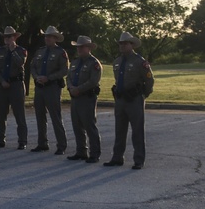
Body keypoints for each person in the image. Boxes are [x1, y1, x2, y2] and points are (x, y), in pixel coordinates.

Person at [104, 31, 154, 169]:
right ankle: (117, 157)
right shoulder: (117, 61)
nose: (122, 46)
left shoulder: (140, 62)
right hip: (120, 100)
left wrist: (143, 95)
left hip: (134, 99)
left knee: (137, 131)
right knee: (119, 130)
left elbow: (149, 81)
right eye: (120, 43)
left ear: (132, 45)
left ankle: (138, 160)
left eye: (125, 43)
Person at [30, 26, 69, 155]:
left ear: (55, 38)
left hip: (52, 87)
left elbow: (64, 70)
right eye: (46, 36)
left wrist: (49, 78)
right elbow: (33, 67)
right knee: (40, 116)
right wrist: (37, 77)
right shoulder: (40, 51)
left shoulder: (60, 52)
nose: (47, 38)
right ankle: (42, 143)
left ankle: (61, 145)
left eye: (50, 36)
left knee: (55, 117)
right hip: (40, 87)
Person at [0, 26, 28, 149]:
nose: (7, 39)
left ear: (15, 37)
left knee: (19, 115)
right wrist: (1, 81)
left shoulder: (21, 51)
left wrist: (12, 51)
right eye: (5, 37)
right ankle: (0, 140)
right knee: (1, 114)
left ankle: (22, 141)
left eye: (9, 36)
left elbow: (21, 63)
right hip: (2, 85)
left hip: (16, 84)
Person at [66, 36, 102, 163]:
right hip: (75, 97)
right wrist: (70, 88)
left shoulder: (94, 63)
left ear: (88, 48)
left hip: (87, 98)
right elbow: (68, 77)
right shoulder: (75, 62)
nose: (79, 49)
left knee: (89, 125)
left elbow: (93, 81)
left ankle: (95, 153)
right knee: (77, 125)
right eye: (78, 47)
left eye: (82, 47)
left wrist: (79, 89)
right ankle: (81, 151)